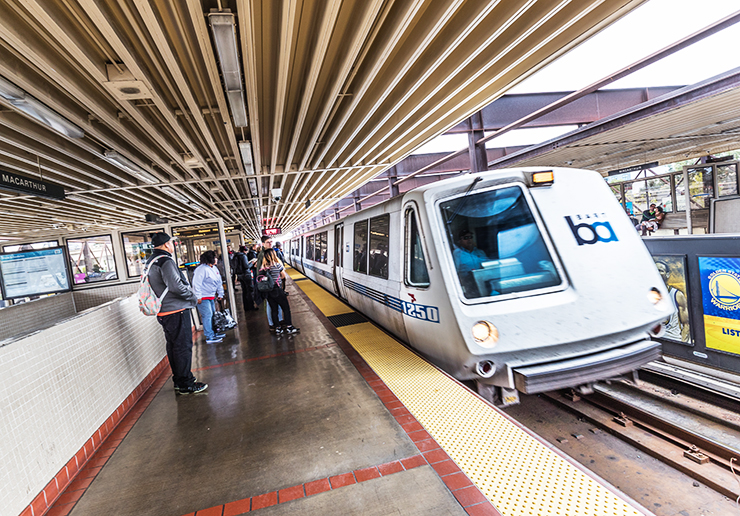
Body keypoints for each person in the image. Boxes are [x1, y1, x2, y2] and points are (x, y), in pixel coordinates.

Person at [146, 232, 207, 394]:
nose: (172, 246)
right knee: (182, 346)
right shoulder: (165, 261)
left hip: (164, 311)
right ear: (167, 244)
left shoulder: (151, 261)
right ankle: (186, 383)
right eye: (171, 243)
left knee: (173, 346)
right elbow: (175, 286)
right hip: (176, 310)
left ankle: (179, 380)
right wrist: (192, 297)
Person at [258, 248, 299, 334]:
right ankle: (289, 327)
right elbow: (283, 276)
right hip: (277, 290)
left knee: (274, 310)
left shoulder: (263, 268)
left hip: (268, 292)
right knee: (286, 308)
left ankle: (277, 328)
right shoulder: (277, 265)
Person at [192, 250, 225, 344]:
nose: (216, 259)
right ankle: (209, 336)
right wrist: (198, 296)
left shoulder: (214, 268)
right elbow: (196, 284)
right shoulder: (201, 269)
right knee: (207, 315)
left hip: (211, 296)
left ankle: (214, 332)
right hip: (203, 297)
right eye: (215, 257)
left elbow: (219, 282)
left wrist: (220, 293)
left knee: (212, 315)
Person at [253, 236, 283, 331]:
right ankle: (273, 323)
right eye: (267, 242)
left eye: (271, 242)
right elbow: (261, 272)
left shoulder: (268, 252)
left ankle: (277, 321)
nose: (270, 243)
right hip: (269, 285)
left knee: (274, 304)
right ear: (263, 244)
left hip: (272, 284)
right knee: (270, 304)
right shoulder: (263, 255)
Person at [656, 260, 690, 342]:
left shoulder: (677, 295)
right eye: (655, 270)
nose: (657, 272)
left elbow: (686, 324)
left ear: (667, 274)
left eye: (660, 270)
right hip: (655, 341)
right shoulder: (649, 294)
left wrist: (682, 344)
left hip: (673, 340)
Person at [233, 245, 257, 311]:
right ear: (244, 251)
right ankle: (251, 307)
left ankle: (246, 307)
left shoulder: (235, 256)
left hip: (240, 276)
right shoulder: (243, 256)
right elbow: (246, 266)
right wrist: (252, 263)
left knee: (244, 291)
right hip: (246, 275)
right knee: (249, 291)